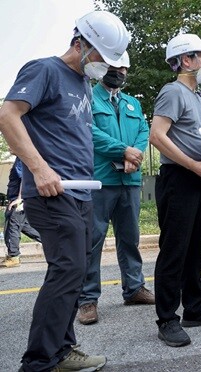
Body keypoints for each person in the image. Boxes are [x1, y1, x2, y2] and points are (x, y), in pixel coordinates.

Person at [0, 10, 129, 371]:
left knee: (76, 271)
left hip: (80, 193)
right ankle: (39, 362)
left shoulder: (84, 83)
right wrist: (39, 169)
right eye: (104, 59)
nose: (108, 68)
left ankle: (62, 348)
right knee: (67, 269)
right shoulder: (43, 70)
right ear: (79, 44)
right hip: (51, 192)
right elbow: (8, 115)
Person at [149, 33, 201, 347]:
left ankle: (194, 309)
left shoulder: (197, 98)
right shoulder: (172, 91)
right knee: (174, 251)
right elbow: (157, 136)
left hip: (198, 177)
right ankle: (167, 319)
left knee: (196, 247)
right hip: (178, 179)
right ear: (185, 60)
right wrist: (191, 164)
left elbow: (194, 138)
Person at [77, 51, 153, 326]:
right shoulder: (88, 98)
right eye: (113, 66)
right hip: (100, 179)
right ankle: (87, 299)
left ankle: (134, 288)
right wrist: (123, 151)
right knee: (93, 239)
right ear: (102, 67)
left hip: (130, 180)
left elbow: (144, 131)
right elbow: (90, 133)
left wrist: (136, 154)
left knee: (130, 237)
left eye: (123, 67)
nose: (118, 71)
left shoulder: (133, 103)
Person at [2, 157, 42, 268]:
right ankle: (57, 244)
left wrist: (20, 198)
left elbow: (24, 178)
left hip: (18, 199)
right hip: (20, 198)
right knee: (27, 228)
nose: (9, 146)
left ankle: (14, 256)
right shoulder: (20, 158)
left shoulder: (21, 158)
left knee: (12, 226)